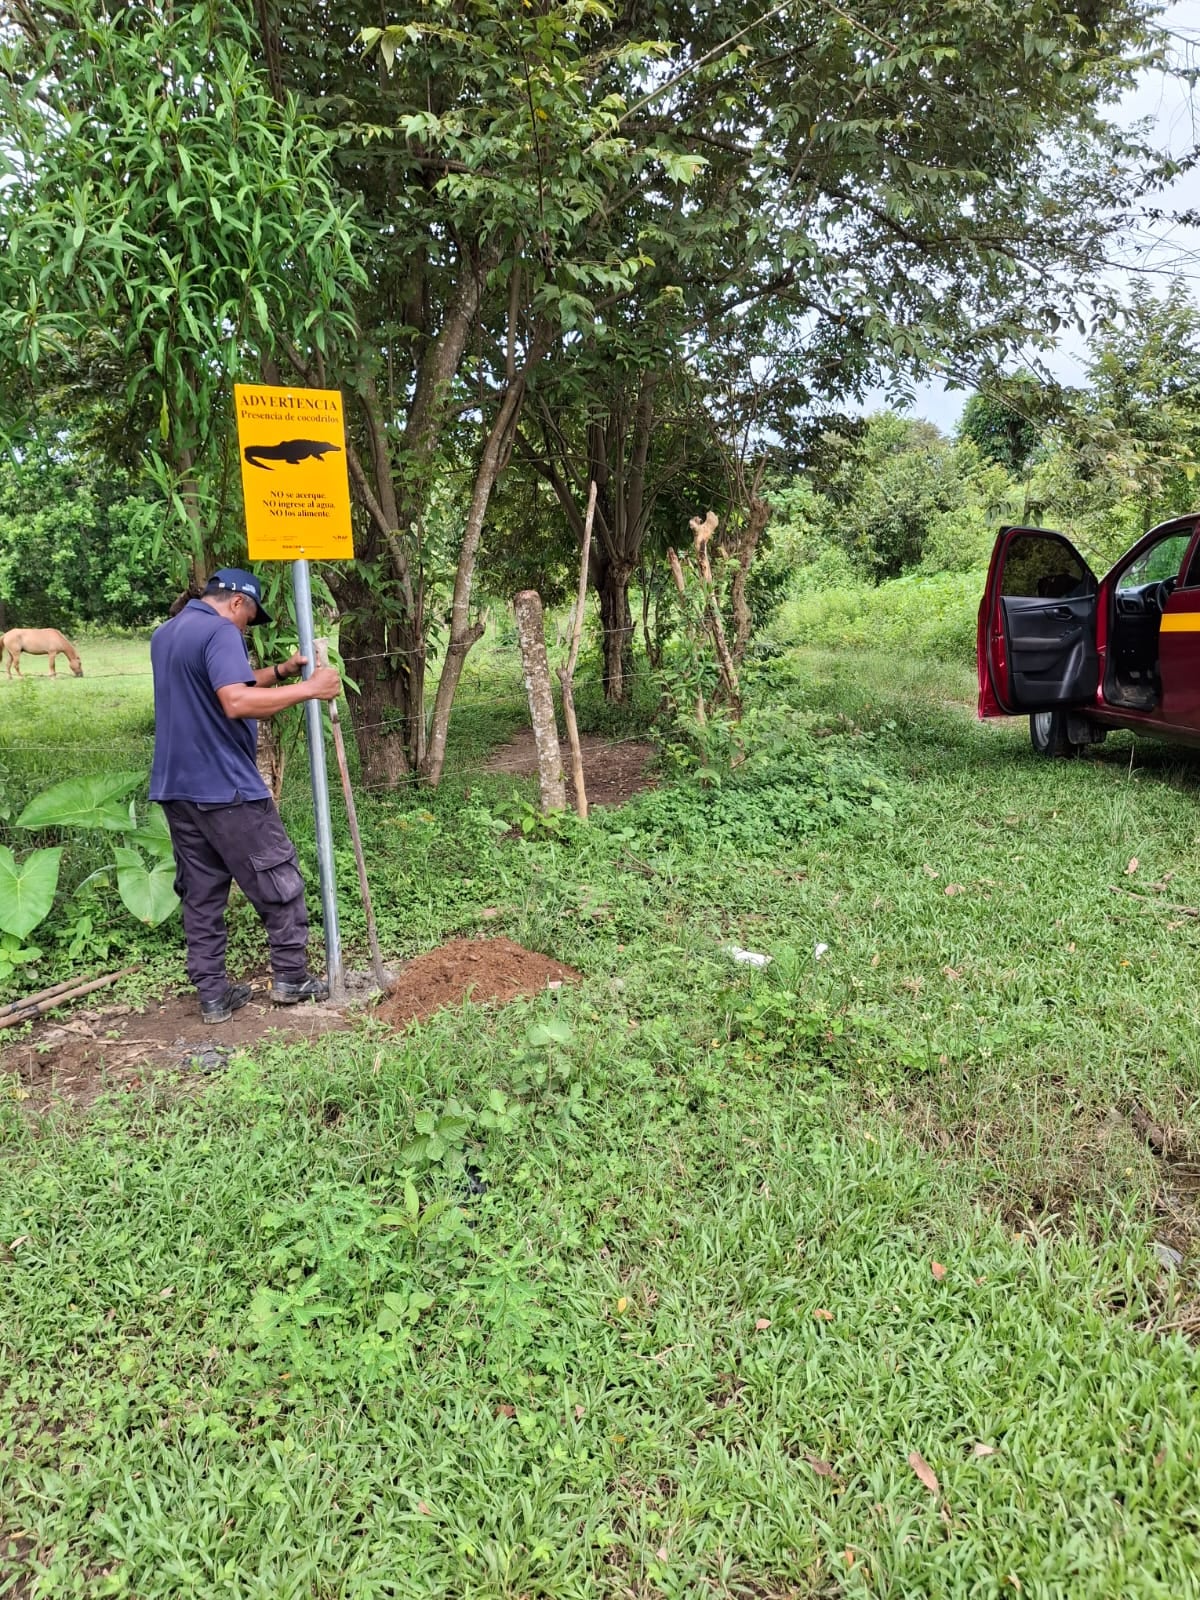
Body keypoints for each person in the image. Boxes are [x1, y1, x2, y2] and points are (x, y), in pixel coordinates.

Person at [149, 567, 341, 1024]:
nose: (244, 630)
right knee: (278, 880)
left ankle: (213, 996)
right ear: (238, 602)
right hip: (227, 787)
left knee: (201, 893)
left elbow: (218, 684)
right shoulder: (220, 630)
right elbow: (234, 700)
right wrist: (309, 689)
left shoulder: (168, 633)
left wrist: (281, 671)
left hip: (177, 788)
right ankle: (292, 977)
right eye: (248, 619)